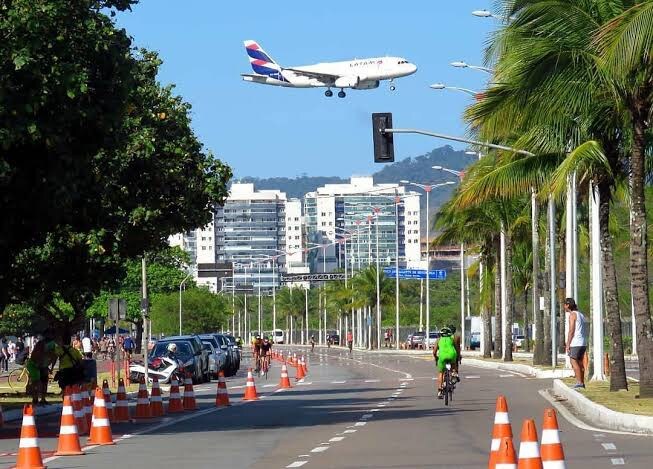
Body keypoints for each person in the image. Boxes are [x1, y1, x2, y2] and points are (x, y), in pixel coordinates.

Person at [564, 298, 587, 389]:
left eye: (565, 305)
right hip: (582, 342)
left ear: (568, 305)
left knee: (573, 361)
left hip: (576, 342)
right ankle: (581, 382)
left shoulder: (572, 315)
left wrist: (568, 343)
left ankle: (579, 382)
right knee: (580, 363)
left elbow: (571, 330)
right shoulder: (580, 314)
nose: (564, 307)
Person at [433, 326, 458, 399]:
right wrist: (458, 356)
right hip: (451, 355)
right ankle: (453, 373)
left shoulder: (438, 340)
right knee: (454, 363)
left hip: (442, 357)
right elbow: (456, 349)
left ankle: (440, 390)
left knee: (441, 373)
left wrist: (435, 357)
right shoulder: (452, 339)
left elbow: (434, 351)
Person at [25, 339, 49, 405]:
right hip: (35, 368)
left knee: (36, 383)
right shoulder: (39, 352)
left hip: (34, 367)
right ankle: (35, 398)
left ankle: (35, 398)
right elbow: (39, 363)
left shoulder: (37, 351)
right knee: (37, 383)